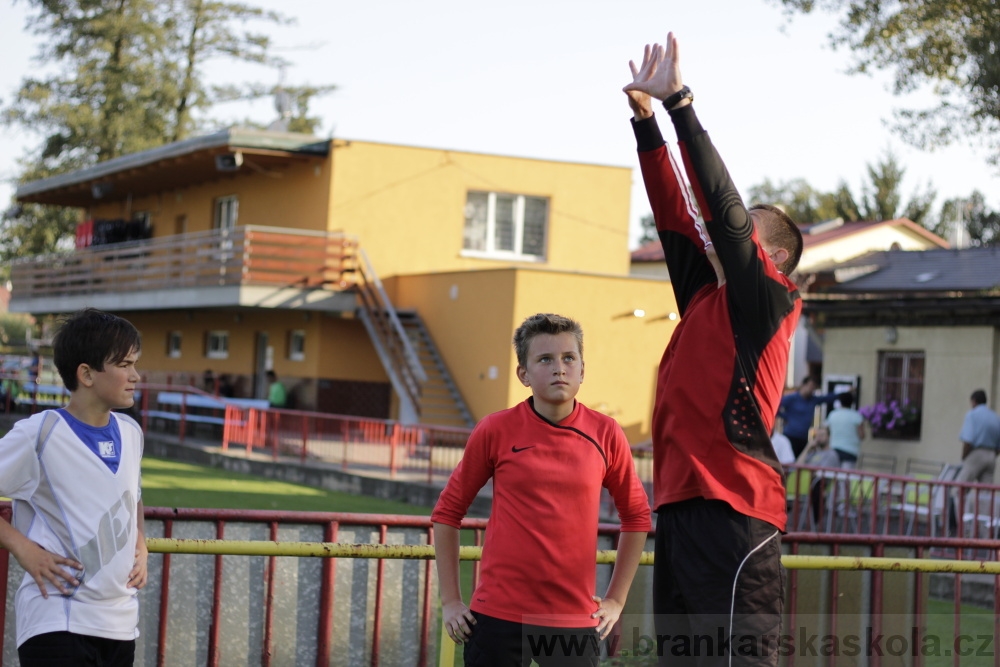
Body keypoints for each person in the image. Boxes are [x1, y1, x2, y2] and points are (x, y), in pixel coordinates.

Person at [624, 33, 803, 666]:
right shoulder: (706, 296)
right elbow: (675, 214)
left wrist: (680, 103)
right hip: (678, 510)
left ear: (772, 256)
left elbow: (721, 211)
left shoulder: (767, 299)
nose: (726, 230)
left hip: (735, 516)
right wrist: (646, 124)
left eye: (748, 232)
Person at [431, 313, 651, 666]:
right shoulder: (495, 430)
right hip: (497, 616)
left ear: (582, 369)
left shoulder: (607, 433)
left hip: (575, 621)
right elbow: (446, 513)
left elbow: (637, 517)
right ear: (524, 374)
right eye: (545, 359)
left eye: (568, 358)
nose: (559, 368)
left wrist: (616, 600)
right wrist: (451, 601)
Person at [0, 308, 147, 666]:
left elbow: (134, 496)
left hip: (120, 623)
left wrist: (140, 538)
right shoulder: (39, 433)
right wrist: (24, 549)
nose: (136, 376)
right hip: (56, 619)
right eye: (125, 365)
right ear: (86, 374)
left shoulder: (131, 432)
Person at [778, 376, 839, 459]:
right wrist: (787, 417)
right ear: (803, 385)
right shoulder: (791, 398)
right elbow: (776, 407)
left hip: (803, 437)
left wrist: (843, 394)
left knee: (801, 461)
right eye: (810, 386)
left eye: (814, 388)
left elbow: (827, 398)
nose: (811, 390)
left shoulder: (813, 400)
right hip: (790, 435)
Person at [795, 426, 841, 526]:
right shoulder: (812, 452)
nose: (819, 438)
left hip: (819, 485)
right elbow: (797, 465)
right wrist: (808, 448)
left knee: (818, 487)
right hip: (803, 484)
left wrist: (808, 471)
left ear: (828, 437)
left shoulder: (832, 454)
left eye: (822, 435)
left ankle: (815, 523)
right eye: (817, 435)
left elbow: (821, 473)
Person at [955, 389, 1000, 485]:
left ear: (974, 401)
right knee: (986, 491)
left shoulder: (972, 415)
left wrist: (964, 457)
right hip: (992, 456)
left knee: (961, 486)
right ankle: (985, 500)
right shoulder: (995, 417)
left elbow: (968, 440)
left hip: (977, 453)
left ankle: (958, 499)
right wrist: (993, 455)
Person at [824, 392, 866, 469]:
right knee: (845, 478)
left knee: (831, 475)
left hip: (834, 450)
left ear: (840, 402)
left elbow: (826, 432)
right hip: (851, 451)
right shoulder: (856, 416)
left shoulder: (832, 414)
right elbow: (862, 435)